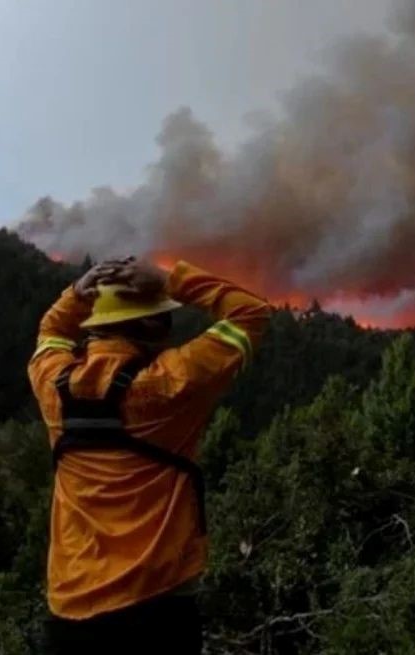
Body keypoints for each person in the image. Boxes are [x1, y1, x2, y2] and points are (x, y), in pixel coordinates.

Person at [27, 256, 271, 653]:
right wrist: (170, 279)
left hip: (69, 613)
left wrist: (76, 294)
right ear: (154, 325)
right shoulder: (170, 383)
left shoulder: (53, 385)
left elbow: (50, 333)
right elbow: (251, 312)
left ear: (96, 325)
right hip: (156, 609)